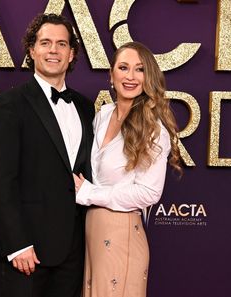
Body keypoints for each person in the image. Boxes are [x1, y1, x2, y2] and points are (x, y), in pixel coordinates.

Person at [0, 13, 94, 297]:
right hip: (27, 252)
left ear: (72, 54)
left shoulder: (85, 107)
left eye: (61, 44)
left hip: (74, 251)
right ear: (32, 50)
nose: (53, 50)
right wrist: (16, 244)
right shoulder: (9, 104)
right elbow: (0, 180)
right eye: (45, 43)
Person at [73, 41, 182, 297]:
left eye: (139, 69)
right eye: (123, 67)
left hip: (123, 232)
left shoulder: (153, 129)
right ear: (111, 75)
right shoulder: (102, 115)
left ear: (149, 77)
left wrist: (89, 193)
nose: (131, 76)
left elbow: (148, 193)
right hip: (92, 230)